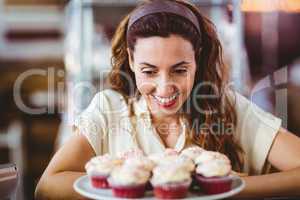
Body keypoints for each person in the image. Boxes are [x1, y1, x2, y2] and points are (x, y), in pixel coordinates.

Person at [35, 0, 300, 199]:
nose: (164, 88)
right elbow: (47, 186)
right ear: (131, 59)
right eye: (149, 71)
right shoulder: (109, 109)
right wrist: (141, 183)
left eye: (179, 70)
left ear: (197, 59)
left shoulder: (228, 107)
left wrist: (231, 187)